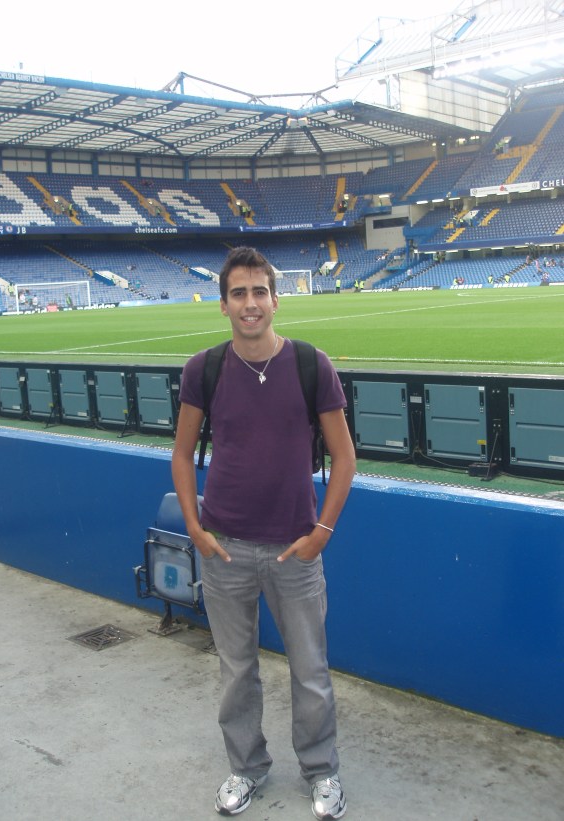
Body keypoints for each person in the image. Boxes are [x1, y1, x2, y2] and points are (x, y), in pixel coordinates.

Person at [172, 246, 356, 819]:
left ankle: (321, 772)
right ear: (223, 305)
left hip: (295, 549)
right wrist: (196, 528)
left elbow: (345, 458)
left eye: (259, 292)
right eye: (238, 294)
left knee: (311, 670)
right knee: (236, 672)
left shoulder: (310, 363)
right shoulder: (203, 368)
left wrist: (322, 530)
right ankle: (246, 768)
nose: (250, 304)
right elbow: (181, 455)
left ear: (275, 299)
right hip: (224, 548)